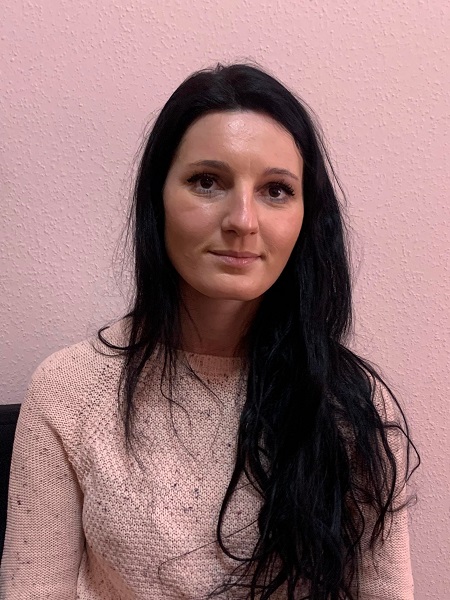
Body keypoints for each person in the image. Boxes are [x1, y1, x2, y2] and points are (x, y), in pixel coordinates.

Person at [0, 64, 418, 599]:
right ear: (157, 199)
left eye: (276, 190)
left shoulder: (351, 402)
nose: (242, 219)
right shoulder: (67, 391)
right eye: (207, 182)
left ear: (306, 217)